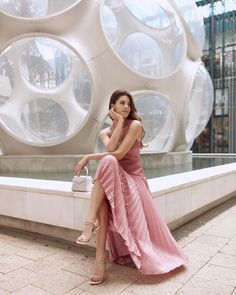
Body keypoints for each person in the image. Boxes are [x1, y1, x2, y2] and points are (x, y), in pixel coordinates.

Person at [75, 89, 187, 285]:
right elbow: (110, 148)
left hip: (134, 181)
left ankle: (89, 224)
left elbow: (116, 154)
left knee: (108, 161)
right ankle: (99, 262)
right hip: (115, 179)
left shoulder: (135, 125)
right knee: (103, 200)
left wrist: (88, 157)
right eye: (122, 103)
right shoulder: (104, 131)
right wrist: (117, 123)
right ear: (113, 107)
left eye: (128, 103)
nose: (126, 106)